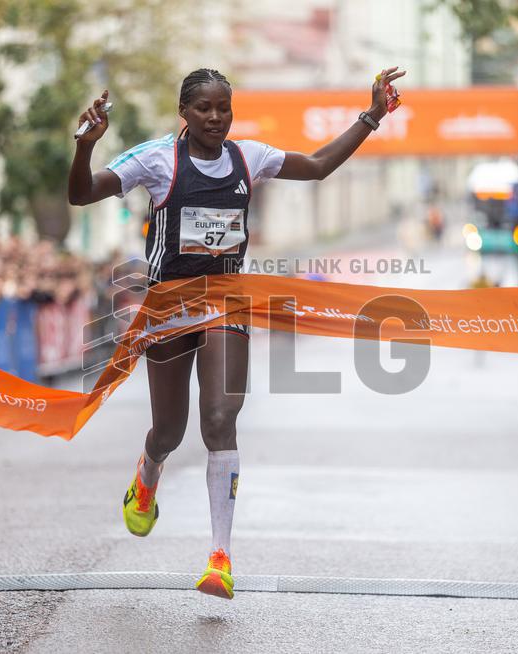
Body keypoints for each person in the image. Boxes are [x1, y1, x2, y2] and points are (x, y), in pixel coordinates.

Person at [68, 66, 405, 599]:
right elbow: (82, 194)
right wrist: (85, 147)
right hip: (170, 307)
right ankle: (148, 470)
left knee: (221, 419)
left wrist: (372, 116)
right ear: (184, 112)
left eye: (224, 108)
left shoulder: (248, 157)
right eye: (204, 108)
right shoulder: (155, 159)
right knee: (170, 431)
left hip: (226, 301)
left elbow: (316, 166)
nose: (216, 117)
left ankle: (220, 556)